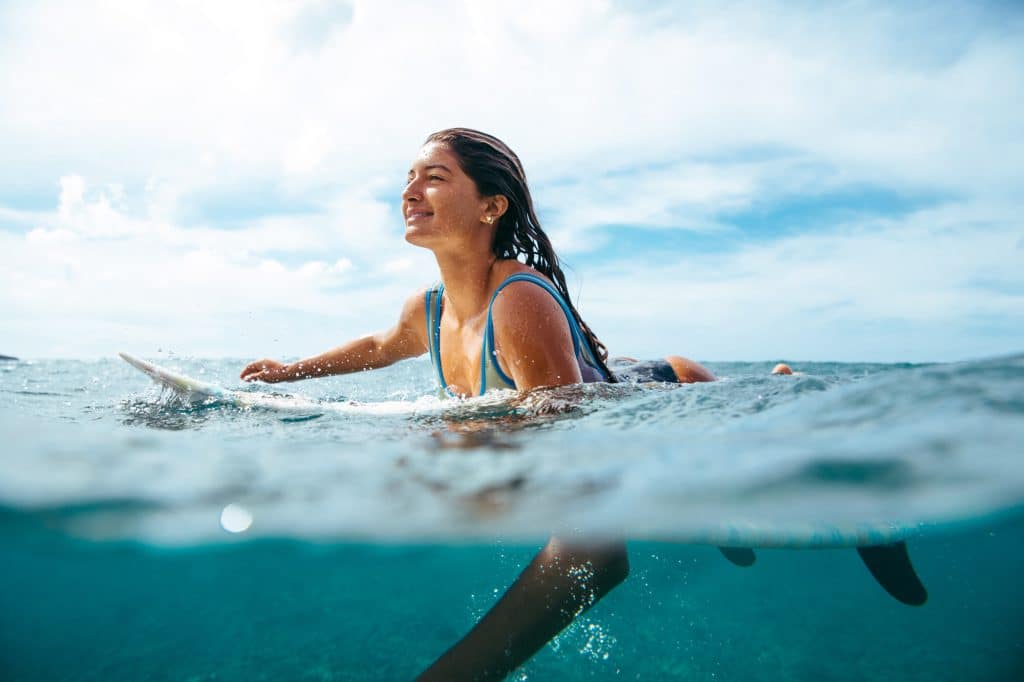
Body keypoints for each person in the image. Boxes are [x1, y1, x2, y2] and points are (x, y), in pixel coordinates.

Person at [241, 128, 715, 680]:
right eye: (409, 178)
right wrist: (288, 372)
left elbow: (587, 509)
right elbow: (378, 346)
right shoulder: (429, 309)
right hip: (616, 376)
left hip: (678, 390)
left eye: (434, 178)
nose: (410, 191)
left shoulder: (517, 300)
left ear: (491, 206)